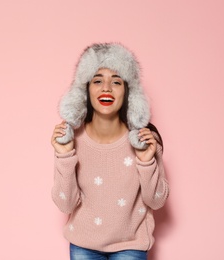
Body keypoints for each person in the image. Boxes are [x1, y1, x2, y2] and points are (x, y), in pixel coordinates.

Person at [51, 43, 169, 260]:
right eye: (97, 80)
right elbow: (65, 204)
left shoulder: (144, 141)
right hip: (83, 245)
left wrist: (146, 162)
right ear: (85, 89)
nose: (106, 88)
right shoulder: (71, 139)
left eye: (116, 81)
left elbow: (157, 201)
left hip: (130, 246)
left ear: (128, 92)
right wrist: (65, 155)